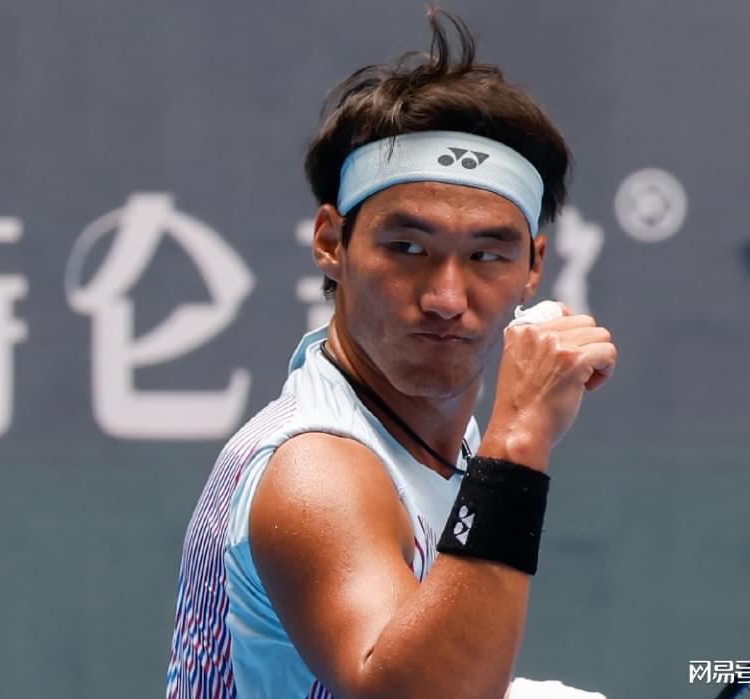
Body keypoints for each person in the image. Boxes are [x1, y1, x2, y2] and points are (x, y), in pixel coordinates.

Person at [167, 9, 616, 699]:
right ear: (331, 241)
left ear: (533, 267)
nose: (446, 296)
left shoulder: (429, 437)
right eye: (407, 247)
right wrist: (520, 436)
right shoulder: (316, 466)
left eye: (487, 255)